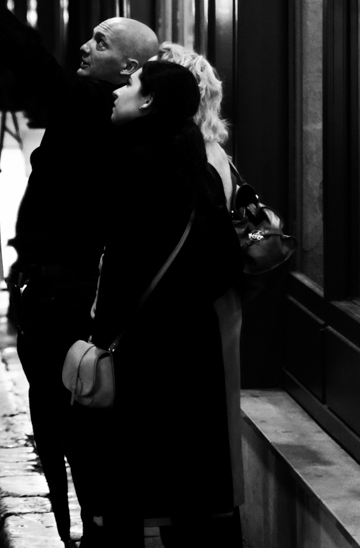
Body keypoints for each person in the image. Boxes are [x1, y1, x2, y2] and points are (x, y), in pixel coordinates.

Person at [0, 0, 159, 545]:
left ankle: (80, 530)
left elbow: (30, 60)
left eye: (101, 43)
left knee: (61, 420)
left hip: (62, 293)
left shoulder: (93, 107)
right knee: (68, 422)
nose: (85, 47)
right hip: (69, 287)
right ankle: (86, 527)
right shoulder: (120, 116)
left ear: (131, 70)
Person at [94, 61, 242, 547]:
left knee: (127, 480)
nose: (119, 91)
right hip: (192, 339)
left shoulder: (132, 161)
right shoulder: (196, 162)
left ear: (150, 101)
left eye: (131, 84)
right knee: (189, 479)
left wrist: (101, 333)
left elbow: (121, 262)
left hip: (141, 342)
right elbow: (224, 259)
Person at [155, 42, 244, 535]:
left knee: (206, 418)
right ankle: (214, 509)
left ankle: (209, 515)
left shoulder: (191, 159)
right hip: (217, 300)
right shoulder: (215, 152)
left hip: (201, 302)